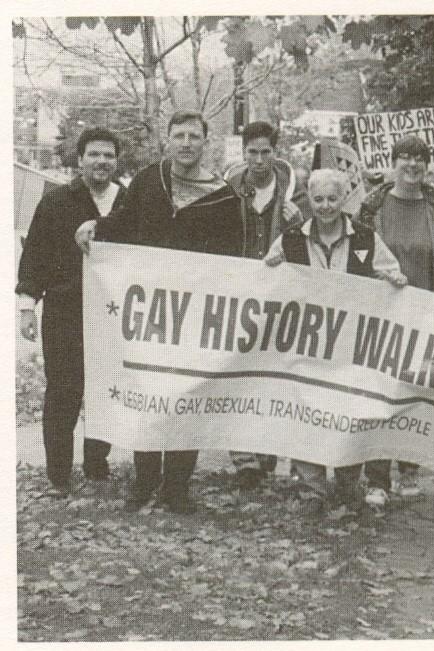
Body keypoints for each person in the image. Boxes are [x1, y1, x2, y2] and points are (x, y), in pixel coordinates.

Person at [75, 111, 247, 513]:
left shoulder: (223, 197)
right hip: (149, 313)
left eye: (194, 136)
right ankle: (145, 481)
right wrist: (95, 226)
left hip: (193, 317)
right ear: (168, 140)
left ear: (206, 143)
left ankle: (176, 487)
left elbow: (231, 261)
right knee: (147, 395)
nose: (186, 143)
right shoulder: (149, 180)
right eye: (179, 135)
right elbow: (123, 222)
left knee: (186, 398)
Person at [265, 168, 407, 516]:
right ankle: (311, 486)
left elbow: (390, 274)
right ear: (309, 201)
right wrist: (268, 268)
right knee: (307, 410)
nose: (325, 206)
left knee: (349, 410)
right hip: (306, 344)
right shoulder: (292, 238)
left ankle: (347, 481)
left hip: (352, 345)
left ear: (345, 200)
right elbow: (264, 282)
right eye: (318, 199)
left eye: (332, 198)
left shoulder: (366, 238)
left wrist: (395, 279)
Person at [17, 127, 127, 497]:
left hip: (115, 315)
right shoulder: (57, 202)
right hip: (65, 311)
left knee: (106, 391)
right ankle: (59, 476)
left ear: (117, 161)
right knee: (63, 391)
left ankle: (97, 463)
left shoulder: (128, 203)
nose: (101, 162)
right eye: (94, 154)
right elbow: (34, 255)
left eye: (108, 155)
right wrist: (27, 307)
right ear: (80, 160)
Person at [358, 135, 434, 506]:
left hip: (427, 315)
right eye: (405, 158)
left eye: (419, 159)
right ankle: (376, 477)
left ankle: (409, 469)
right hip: (382, 317)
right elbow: (357, 257)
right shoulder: (372, 206)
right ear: (393, 162)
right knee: (380, 394)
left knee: (417, 392)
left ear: (427, 164)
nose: (412, 165)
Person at [224, 121, 303, 488]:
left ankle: (267, 447)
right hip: (238, 292)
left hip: (279, 296)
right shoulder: (229, 191)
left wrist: (297, 224)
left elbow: (312, 240)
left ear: (275, 153)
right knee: (238, 372)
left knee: (272, 373)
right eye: (252, 152)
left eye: (265, 152)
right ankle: (244, 459)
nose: (258, 159)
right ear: (243, 153)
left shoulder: (293, 192)